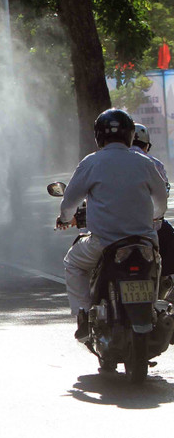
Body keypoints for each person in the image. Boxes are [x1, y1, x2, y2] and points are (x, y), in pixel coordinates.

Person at [57, 109, 168, 340]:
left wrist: (66, 220)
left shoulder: (92, 162)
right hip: (145, 242)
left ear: (99, 136)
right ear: (129, 135)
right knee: (156, 267)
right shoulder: (144, 162)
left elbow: (69, 202)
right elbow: (160, 200)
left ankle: (84, 315)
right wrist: (154, 218)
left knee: (73, 263)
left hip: (104, 243)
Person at [132, 123, 174, 286]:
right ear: (147, 146)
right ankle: (166, 281)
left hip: (113, 228)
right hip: (150, 227)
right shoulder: (154, 163)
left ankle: (84, 307)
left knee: (78, 263)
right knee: (169, 237)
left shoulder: (101, 162)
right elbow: (162, 197)